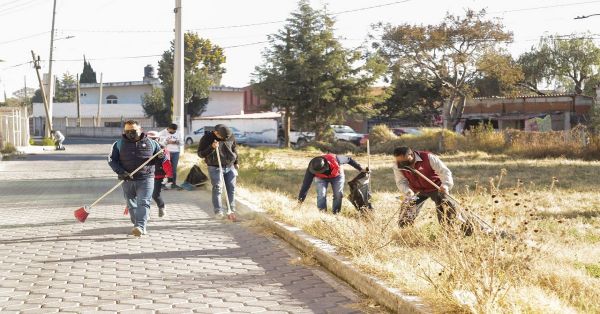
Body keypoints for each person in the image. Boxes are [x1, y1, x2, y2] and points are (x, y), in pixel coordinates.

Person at [108, 120, 165, 236]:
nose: (130, 133)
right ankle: (136, 224)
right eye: (127, 131)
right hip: (127, 180)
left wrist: (161, 156)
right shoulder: (118, 144)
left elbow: (161, 158)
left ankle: (140, 226)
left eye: (133, 131)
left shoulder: (152, 143)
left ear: (140, 130)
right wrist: (121, 172)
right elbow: (111, 160)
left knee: (143, 202)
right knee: (131, 204)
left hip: (146, 178)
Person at [393, 146, 462, 229]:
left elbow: (444, 171)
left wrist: (446, 185)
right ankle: (405, 231)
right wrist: (408, 191)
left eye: (404, 161)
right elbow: (401, 181)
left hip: (436, 187)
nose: (402, 163)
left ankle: (453, 229)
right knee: (406, 210)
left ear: (411, 154)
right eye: (399, 161)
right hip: (415, 190)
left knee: (446, 208)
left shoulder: (428, 157)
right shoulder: (397, 165)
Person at [297, 153, 366, 214]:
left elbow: (349, 160)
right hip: (321, 179)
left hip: (337, 176)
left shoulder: (336, 159)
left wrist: (360, 168)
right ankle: (322, 214)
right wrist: (300, 201)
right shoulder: (312, 168)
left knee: (338, 194)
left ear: (326, 166)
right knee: (321, 194)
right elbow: (306, 185)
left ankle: (336, 213)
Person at [197, 124, 238, 219]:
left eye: (225, 138)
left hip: (230, 165)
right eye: (221, 138)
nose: (224, 139)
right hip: (215, 167)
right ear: (216, 133)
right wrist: (211, 147)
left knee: (231, 188)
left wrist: (236, 162)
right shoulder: (207, 138)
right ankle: (218, 211)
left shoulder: (230, 135)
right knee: (218, 188)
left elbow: (234, 148)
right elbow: (200, 154)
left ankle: (231, 210)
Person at [147, 131, 173, 218]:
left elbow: (167, 163)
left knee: (155, 194)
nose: (152, 141)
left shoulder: (163, 150)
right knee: (145, 195)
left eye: (154, 139)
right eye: (149, 139)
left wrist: (169, 177)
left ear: (158, 139)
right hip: (145, 176)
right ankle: (145, 213)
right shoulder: (142, 149)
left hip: (158, 175)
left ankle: (161, 207)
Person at [159, 123, 183, 189]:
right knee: (165, 168)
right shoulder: (162, 133)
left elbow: (182, 143)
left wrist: (176, 142)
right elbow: (159, 142)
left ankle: (173, 184)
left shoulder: (178, 133)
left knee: (174, 169)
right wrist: (167, 142)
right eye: (172, 130)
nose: (173, 132)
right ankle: (162, 184)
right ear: (169, 128)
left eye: (174, 131)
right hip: (166, 152)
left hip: (176, 152)